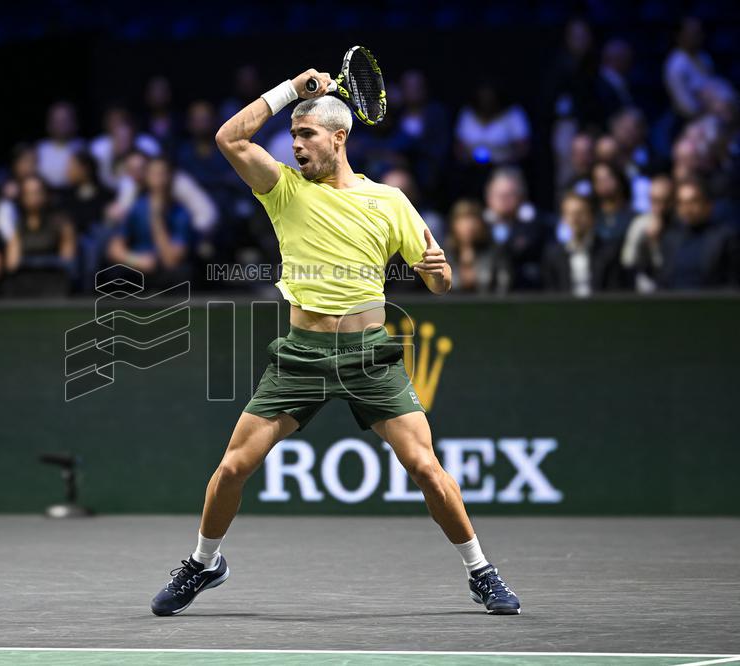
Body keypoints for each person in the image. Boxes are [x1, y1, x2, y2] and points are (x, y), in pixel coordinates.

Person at [149, 69, 520, 617]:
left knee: (425, 466)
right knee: (232, 468)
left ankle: (480, 571)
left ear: (339, 137)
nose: (295, 144)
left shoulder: (390, 201)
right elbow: (228, 139)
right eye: (293, 135)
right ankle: (205, 563)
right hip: (301, 354)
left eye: (306, 135)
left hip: (369, 354)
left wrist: (439, 273)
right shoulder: (283, 190)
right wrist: (291, 92)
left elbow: (439, 282)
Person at [105, 157, 191, 287]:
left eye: (162, 174)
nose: (159, 179)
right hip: (138, 265)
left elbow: (171, 261)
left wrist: (157, 218)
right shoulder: (137, 207)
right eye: (154, 174)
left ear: (170, 177)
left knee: (182, 274)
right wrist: (137, 261)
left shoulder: (180, 213)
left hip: (164, 268)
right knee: (113, 273)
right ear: (147, 177)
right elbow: (114, 249)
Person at [658, 178, 739, 289]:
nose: (687, 209)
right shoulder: (670, 239)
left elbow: (733, 283)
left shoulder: (726, 238)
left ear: (708, 205)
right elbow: (663, 281)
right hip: (675, 304)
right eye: (681, 203)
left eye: (693, 202)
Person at [543, 192, 624, 296]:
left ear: (592, 217)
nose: (575, 219)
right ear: (563, 219)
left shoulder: (609, 252)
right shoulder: (552, 255)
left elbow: (614, 293)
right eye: (570, 214)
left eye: (580, 213)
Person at [621, 175, 674, 292]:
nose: (660, 208)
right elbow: (628, 261)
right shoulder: (640, 224)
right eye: (655, 201)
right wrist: (648, 242)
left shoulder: (680, 226)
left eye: (665, 201)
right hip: (645, 287)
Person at [443, 199, 501, 294]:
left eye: (473, 220)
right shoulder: (443, 254)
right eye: (463, 220)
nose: (469, 226)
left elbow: (503, 289)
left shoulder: (496, 252)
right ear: (453, 224)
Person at [36, 101, 85, 187]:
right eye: (56, 121)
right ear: (49, 124)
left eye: (65, 120)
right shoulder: (39, 150)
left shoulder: (82, 147)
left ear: (74, 122)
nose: (61, 125)